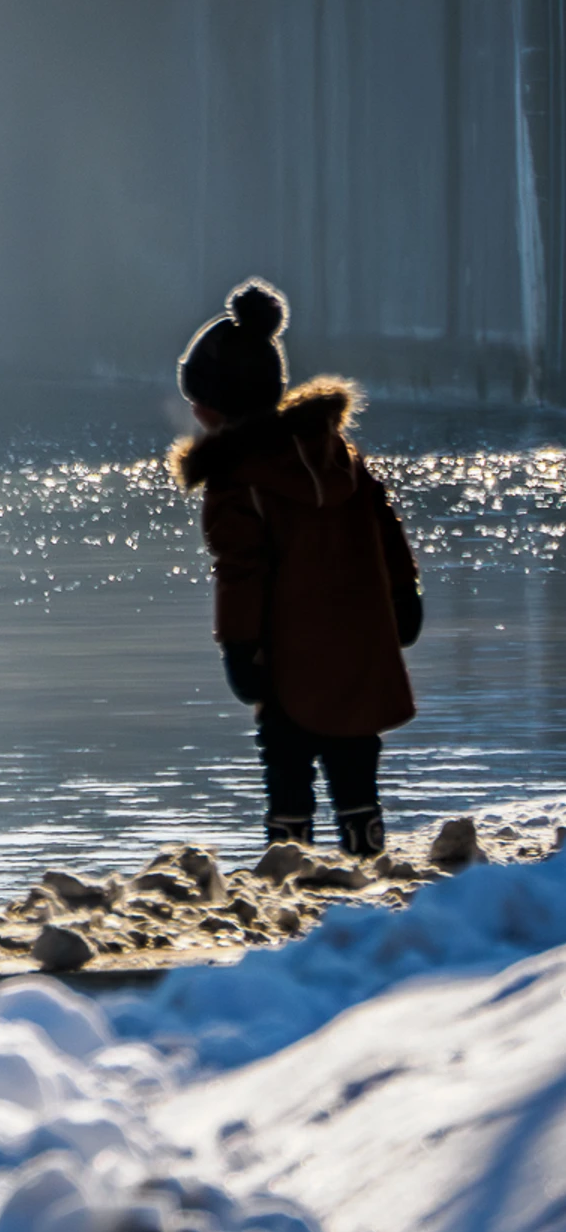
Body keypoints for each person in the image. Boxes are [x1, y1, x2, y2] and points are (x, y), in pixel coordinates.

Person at [169, 279, 422, 855]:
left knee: (287, 768)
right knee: (357, 757)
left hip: (288, 654)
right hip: (360, 641)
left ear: (213, 406)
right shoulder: (341, 455)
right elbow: (387, 529)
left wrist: (238, 648)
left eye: (196, 397)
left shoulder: (236, 482)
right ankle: (366, 858)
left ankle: (291, 875)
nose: (191, 408)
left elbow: (240, 573)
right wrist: (405, 597)